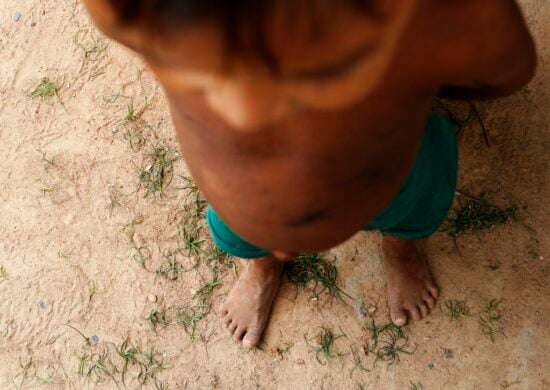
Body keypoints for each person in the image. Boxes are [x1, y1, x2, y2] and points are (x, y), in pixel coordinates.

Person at [84, 0, 536, 348]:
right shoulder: (141, 8)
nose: (250, 111)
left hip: (397, 177)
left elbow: (504, 65)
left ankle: (399, 249)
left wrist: (410, 67)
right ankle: (261, 269)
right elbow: (501, 72)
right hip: (240, 202)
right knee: (240, 234)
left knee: (414, 207)